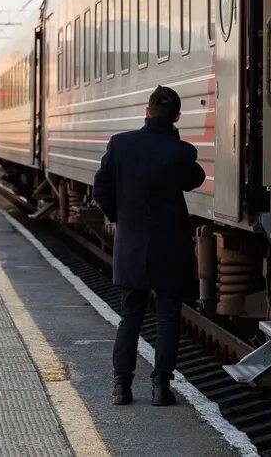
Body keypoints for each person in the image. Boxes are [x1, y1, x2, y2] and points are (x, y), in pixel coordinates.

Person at [92, 85, 205, 407]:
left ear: (146, 112)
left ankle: (121, 387)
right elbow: (194, 179)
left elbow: (101, 190)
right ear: (176, 117)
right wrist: (174, 139)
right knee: (168, 318)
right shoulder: (181, 152)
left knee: (130, 317)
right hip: (170, 249)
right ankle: (160, 389)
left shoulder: (121, 144)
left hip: (132, 246)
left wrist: (120, 218)